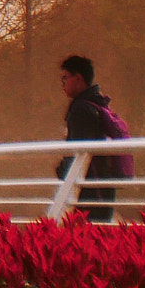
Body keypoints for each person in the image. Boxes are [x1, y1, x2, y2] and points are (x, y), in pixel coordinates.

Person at [55, 55, 124, 224]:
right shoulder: (98, 104)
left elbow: (79, 152)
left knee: (84, 241)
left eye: (65, 78)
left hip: (88, 192)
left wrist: (62, 170)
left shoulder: (81, 109)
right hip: (103, 189)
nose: (62, 84)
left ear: (78, 78)